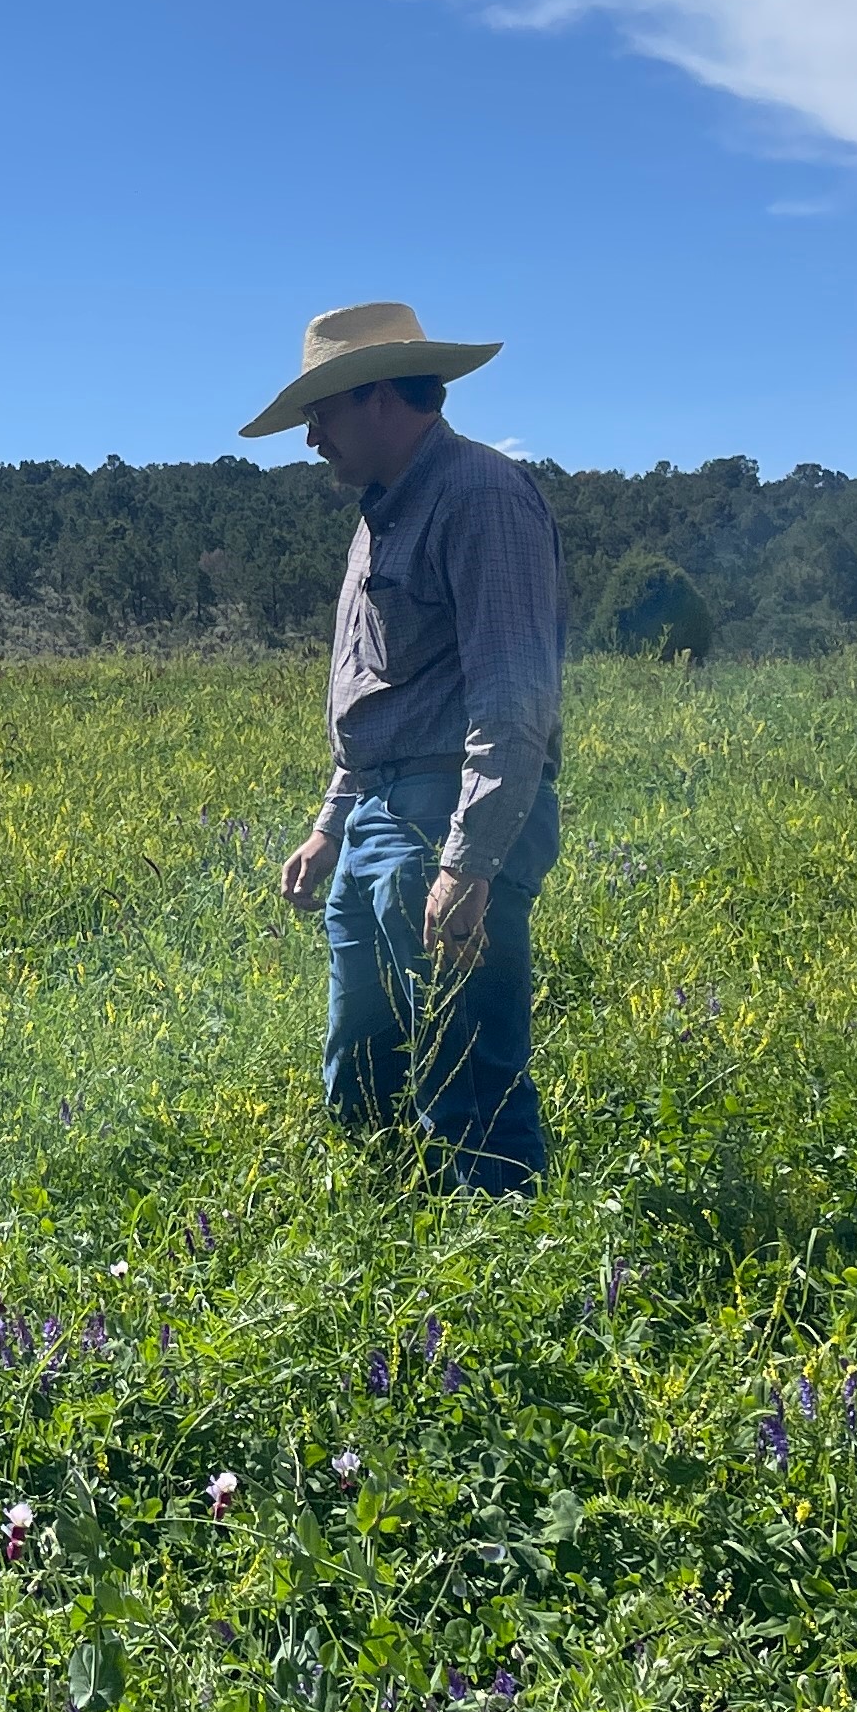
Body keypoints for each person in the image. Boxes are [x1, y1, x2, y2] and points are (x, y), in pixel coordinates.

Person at [245, 301, 566, 1193]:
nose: (311, 439)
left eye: (321, 413)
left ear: (379, 395)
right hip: (383, 815)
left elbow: (512, 694)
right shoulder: (380, 513)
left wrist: (467, 864)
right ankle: (384, 1220)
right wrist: (330, 824)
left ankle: (500, 1263)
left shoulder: (479, 496)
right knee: (363, 1064)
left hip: (449, 816)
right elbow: (377, 695)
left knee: (468, 1075)